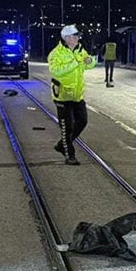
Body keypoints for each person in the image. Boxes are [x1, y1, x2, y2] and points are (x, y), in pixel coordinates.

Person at [48, 24, 96, 165]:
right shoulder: (55, 53)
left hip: (77, 95)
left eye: (77, 36)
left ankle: (62, 144)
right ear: (67, 38)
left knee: (82, 121)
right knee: (66, 127)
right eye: (75, 36)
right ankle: (69, 155)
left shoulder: (81, 50)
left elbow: (89, 63)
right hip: (62, 95)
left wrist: (90, 61)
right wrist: (75, 62)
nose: (77, 38)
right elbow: (56, 71)